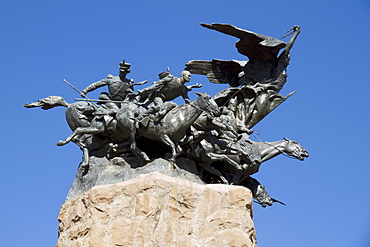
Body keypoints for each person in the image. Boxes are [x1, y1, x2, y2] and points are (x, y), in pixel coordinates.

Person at [136, 70, 202, 124]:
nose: (190, 77)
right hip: (159, 97)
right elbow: (156, 85)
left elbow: (187, 99)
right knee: (160, 107)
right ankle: (141, 116)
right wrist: (144, 91)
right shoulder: (171, 79)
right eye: (189, 76)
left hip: (166, 102)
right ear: (183, 76)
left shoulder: (183, 89)